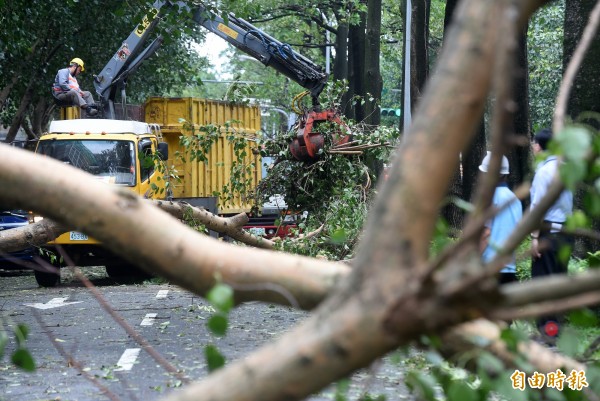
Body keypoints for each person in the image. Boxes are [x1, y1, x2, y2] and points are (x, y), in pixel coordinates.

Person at [530, 128, 574, 343]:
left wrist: (534, 238)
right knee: (558, 282)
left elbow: (537, 208)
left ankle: (547, 334)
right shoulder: (566, 169)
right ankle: (555, 331)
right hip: (566, 234)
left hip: (548, 233)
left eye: (534, 143)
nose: (532, 146)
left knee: (543, 282)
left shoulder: (543, 172)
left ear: (539, 146)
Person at [479, 152, 523, 285]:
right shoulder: (515, 199)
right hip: (509, 267)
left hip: (489, 268)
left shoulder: (489, 199)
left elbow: (486, 233)